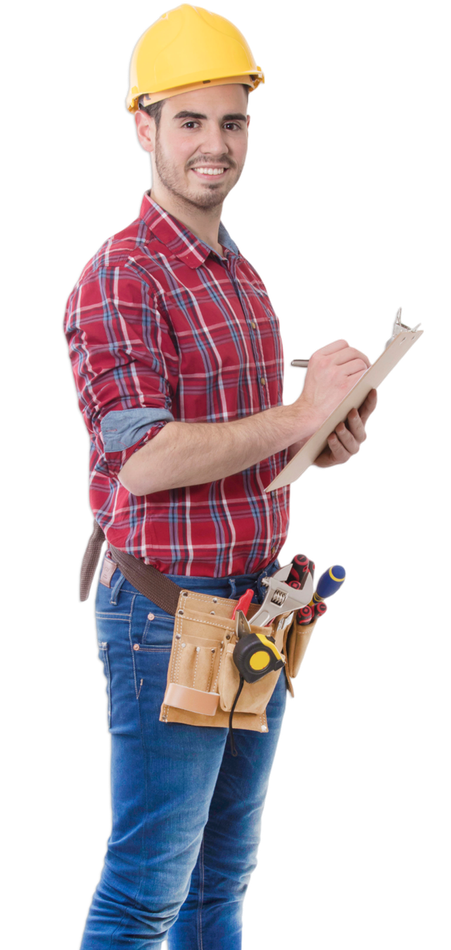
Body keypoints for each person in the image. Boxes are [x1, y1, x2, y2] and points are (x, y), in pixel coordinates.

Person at [64, 5, 378, 948]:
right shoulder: (123, 277)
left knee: (220, 882)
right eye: (191, 120)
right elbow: (148, 459)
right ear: (144, 127)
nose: (216, 143)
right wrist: (297, 413)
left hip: (254, 614)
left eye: (232, 120)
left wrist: (323, 440)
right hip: (166, 618)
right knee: (147, 889)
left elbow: (250, 449)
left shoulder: (236, 276)